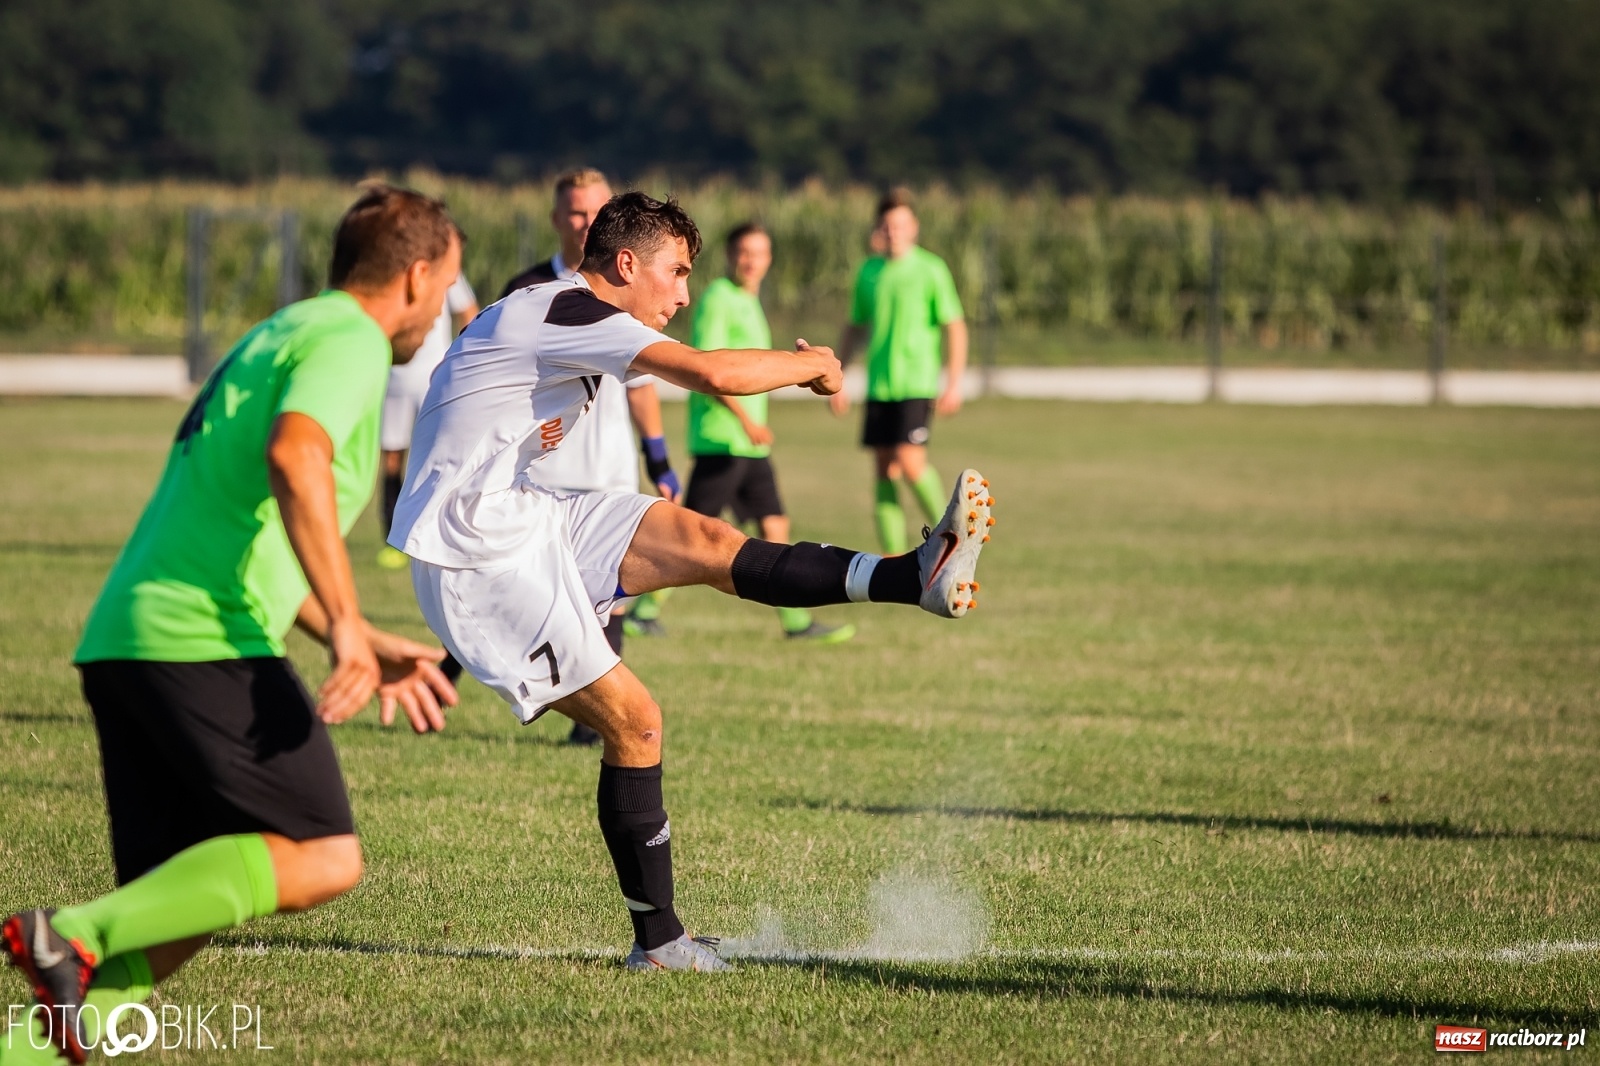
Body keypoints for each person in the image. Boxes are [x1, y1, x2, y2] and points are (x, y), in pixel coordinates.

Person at [390, 192, 994, 973]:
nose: (682, 294)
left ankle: (916, 575)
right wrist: (812, 364)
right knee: (637, 724)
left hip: (528, 515)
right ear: (627, 264)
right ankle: (661, 943)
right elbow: (712, 374)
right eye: (676, 272)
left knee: (706, 539)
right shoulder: (571, 311)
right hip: (474, 555)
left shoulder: (560, 314)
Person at [1, 186, 461, 1065]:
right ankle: (67, 933)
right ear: (415, 276)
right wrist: (355, 625)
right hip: (199, 635)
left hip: (129, 637)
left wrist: (341, 629)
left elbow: (248, 510)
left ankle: (24, 1051)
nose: (439, 310)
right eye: (445, 287)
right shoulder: (349, 340)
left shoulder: (285, 329)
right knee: (324, 855)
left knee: (189, 901)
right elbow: (297, 456)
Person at [498, 168, 681, 746]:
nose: (584, 221)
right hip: (542, 473)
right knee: (545, 593)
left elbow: (646, 377)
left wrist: (658, 456)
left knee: (614, 596)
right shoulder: (529, 290)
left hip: (608, 467)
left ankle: (595, 725)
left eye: (594, 211)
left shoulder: (630, 296)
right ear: (557, 219)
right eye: (574, 212)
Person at [629, 222, 854, 644]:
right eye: (744, 253)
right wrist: (747, 421)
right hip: (722, 439)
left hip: (748, 445)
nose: (752, 261)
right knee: (689, 532)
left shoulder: (750, 302)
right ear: (732, 256)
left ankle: (794, 621)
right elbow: (709, 368)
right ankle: (642, 609)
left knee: (774, 523)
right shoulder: (718, 299)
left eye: (761, 253)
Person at [832, 187, 969, 553]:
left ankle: (954, 532)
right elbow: (855, 327)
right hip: (880, 386)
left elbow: (954, 326)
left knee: (910, 464)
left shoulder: (930, 268)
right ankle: (892, 557)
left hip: (917, 383)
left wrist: (954, 383)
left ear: (914, 228)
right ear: (879, 228)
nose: (894, 231)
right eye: (887, 225)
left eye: (901, 224)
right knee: (883, 469)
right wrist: (837, 377)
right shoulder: (869, 271)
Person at [376, 272, 478, 569]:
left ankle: (437, 534)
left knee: (438, 455)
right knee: (392, 460)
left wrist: (464, 361)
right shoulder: (389, 266)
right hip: (393, 383)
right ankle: (393, 541)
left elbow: (468, 311)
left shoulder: (445, 267)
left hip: (434, 381)